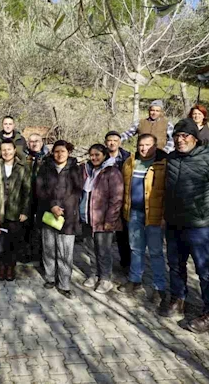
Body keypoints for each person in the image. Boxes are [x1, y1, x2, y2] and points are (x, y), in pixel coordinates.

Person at [159, 119, 209, 334]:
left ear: (195, 138)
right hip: (174, 223)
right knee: (175, 265)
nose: (180, 140)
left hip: (199, 226)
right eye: (177, 136)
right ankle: (178, 298)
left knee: (205, 270)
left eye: (185, 136)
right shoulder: (172, 159)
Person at [118, 135, 168, 304]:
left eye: (148, 145)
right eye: (141, 145)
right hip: (134, 214)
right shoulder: (130, 162)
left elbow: (168, 192)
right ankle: (135, 280)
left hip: (154, 216)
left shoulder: (163, 164)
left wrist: (164, 216)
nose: (144, 148)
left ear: (155, 146)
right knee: (135, 249)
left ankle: (159, 287)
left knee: (155, 252)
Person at [36, 140, 83, 299]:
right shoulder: (45, 167)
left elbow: (76, 192)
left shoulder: (75, 169)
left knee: (65, 252)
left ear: (68, 152)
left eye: (63, 151)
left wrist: (61, 208)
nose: (59, 154)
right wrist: (52, 206)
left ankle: (64, 284)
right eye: (56, 151)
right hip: (49, 214)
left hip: (67, 216)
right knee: (49, 248)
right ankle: (50, 277)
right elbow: (40, 189)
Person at [79, 144, 123, 294]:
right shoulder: (87, 171)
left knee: (103, 250)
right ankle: (94, 273)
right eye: (91, 155)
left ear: (104, 155)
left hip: (103, 220)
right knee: (90, 249)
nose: (94, 157)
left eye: (97, 154)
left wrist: (110, 220)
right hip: (86, 218)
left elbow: (116, 199)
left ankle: (105, 279)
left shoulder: (112, 172)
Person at [0, 138, 31, 282]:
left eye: (9, 149)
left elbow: (28, 191)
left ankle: (10, 268)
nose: (6, 152)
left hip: (15, 213)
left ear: (14, 150)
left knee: (13, 243)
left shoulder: (22, 167)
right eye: (3, 150)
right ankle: (1, 268)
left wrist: (25, 211)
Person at [104, 130, 132, 271]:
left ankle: (126, 264)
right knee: (104, 236)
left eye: (115, 140)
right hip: (104, 202)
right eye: (109, 140)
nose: (112, 143)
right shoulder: (101, 156)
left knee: (124, 235)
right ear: (105, 142)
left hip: (124, 200)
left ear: (120, 142)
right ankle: (103, 266)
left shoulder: (128, 158)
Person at [24, 133, 49, 263]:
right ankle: (27, 253)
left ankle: (42, 255)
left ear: (42, 142)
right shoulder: (23, 157)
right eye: (31, 141)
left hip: (42, 198)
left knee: (41, 227)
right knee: (26, 226)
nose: (34, 144)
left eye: (37, 141)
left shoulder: (48, 158)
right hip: (27, 197)